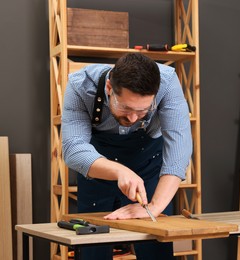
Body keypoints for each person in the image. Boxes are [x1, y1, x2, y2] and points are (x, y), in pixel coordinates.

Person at [61, 53, 192, 259]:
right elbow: (73, 148)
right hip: (98, 171)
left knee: (155, 244)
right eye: (126, 108)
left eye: (142, 111)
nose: (132, 118)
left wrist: (154, 207)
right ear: (109, 89)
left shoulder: (167, 83)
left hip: (148, 164)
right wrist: (119, 170)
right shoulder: (80, 86)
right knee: (92, 249)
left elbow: (179, 149)